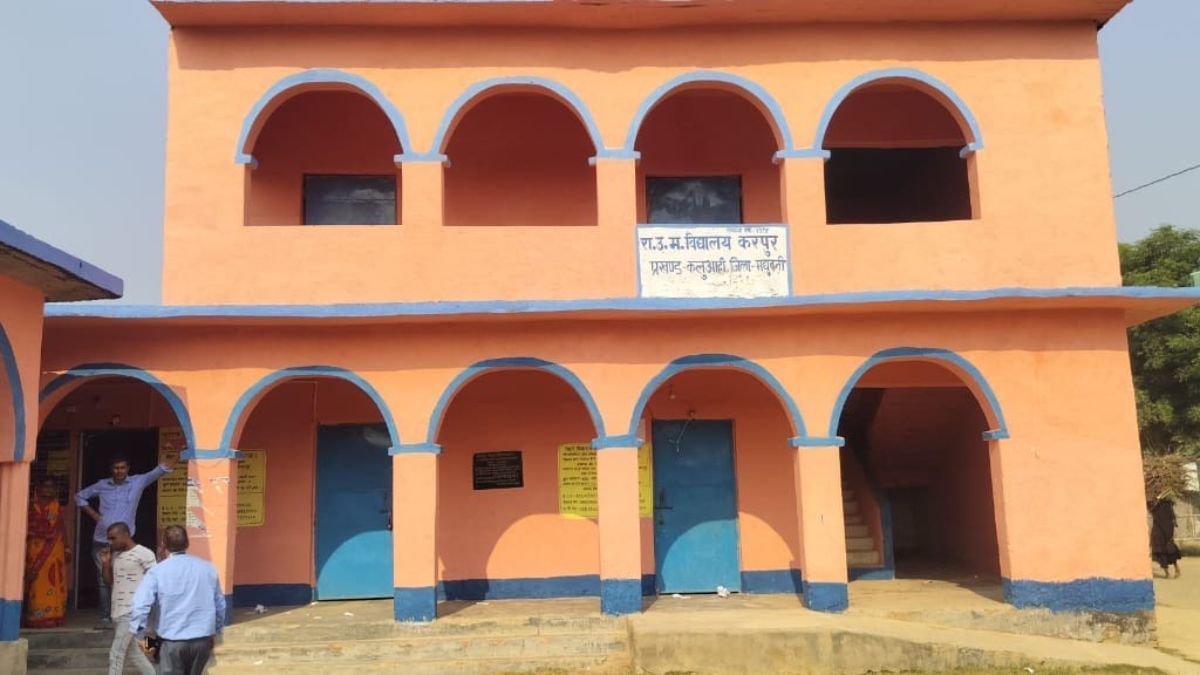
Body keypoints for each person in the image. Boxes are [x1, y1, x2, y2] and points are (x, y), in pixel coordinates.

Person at [75, 453, 176, 627]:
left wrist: (176, 453)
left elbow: (160, 470)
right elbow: (79, 497)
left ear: (128, 469)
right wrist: (95, 515)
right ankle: (106, 618)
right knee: (103, 580)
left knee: (123, 577)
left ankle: (122, 616)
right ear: (111, 470)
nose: (119, 471)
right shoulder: (102, 485)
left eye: (122, 467)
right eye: (116, 468)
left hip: (123, 544)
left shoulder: (138, 481)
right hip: (101, 540)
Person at [130, 525, 225, 675]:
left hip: (169, 642)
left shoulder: (156, 572)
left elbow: (140, 607)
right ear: (187, 543)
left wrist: (141, 638)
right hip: (202, 640)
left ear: (163, 544)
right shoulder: (208, 569)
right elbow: (220, 605)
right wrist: (215, 632)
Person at [100, 522, 157, 675]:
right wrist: (106, 564)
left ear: (126, 535)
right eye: (109, 539)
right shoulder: (116, 555)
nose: (110, 542)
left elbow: (156, 581)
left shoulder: (144, 554)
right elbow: (108, 581)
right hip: (118, 612)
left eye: (113, 538)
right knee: (134, 653)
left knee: (116, 653)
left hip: (132, 612)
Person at [23, 477, 70, 628]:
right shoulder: (30, 506)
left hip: (55, 550)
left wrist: (67, 547)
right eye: (46, 486)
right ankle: (37, 617)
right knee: (37, 583)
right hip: (35, 550)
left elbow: (62, 527)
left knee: (55, 581)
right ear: (39, 488)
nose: (49, 490)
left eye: (52, 487)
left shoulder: (57, 507)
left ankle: (55, 616)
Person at [1150, 498, 1183, 579]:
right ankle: (1167, 572)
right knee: (1159, 549)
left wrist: (1174, 523)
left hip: (1167, 528)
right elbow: (1150, 508)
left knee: (1169, 549)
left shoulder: (1167, 503)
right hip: (1157, 528)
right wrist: (1155, 501)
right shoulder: (1152, 503)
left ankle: (1176, 568)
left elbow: (1172, 517)